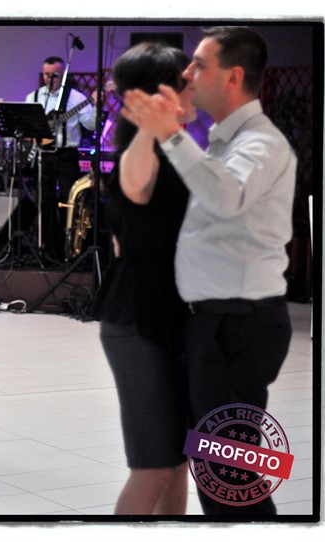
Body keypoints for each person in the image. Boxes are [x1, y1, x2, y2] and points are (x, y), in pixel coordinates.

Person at [122, 26, 296, 516]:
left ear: (234, 76)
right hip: (216, 323)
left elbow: (225, 198)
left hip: (237, 327)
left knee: (228, 478)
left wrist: (171, 135)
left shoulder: (261, 143)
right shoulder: (223, 141)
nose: (188, 73)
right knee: (220, 472)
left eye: (200, 64)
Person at [91, 42, 196, 515]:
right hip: (138, 317)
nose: (194, 87)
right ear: (159, 93)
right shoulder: (141, 151)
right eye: (186, 80)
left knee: (178, 460)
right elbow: (133, 189)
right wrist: (152, 126)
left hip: (171, 311)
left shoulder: (178, 149)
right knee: (153, 465)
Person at [25, 56, 97, 262]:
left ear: (63, 75)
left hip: (67, 155)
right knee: (45, 201)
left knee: (68, 199)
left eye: (54, 75)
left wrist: (96, 106)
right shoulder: (34, 97)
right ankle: (49, 247)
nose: (50, 79)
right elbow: (27, 125)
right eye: (46, 75)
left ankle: (70, 249)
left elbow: (91, 125)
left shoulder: (76, 98)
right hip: (44, 154)